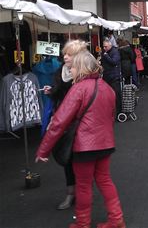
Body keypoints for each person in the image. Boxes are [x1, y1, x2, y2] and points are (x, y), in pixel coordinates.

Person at [36, 51, 126, 228]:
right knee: (105, 181)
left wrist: (43, 149)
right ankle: (117, 219)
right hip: (106, 144)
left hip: (84, 147)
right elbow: (111, 117)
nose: (71, 70)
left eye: (74, 67)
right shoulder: (107, 88)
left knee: (83, 186)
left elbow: (59, 122)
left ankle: (83, 223)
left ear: (82, 68)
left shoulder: (78, 89)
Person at [43, 40, 87, 210]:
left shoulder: (84, 73)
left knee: (80, 157)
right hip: (63, 118)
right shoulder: (60, 71)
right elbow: (58, 91)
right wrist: (51, 91)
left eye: (69, 54)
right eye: (65, 54)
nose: (65, 57)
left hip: (80, 120)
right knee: (66, 156)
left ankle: (82, 193)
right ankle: (70, 193)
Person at [100, 39, 122, 115]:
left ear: (110, 45)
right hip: (107, 76)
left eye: (106, 46)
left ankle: (119, 111)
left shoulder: (115, 52)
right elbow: (104, 62)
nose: (104, 48)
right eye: (103, 47)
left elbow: (114, 62)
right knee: (107, 95)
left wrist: (105, 55)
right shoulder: (105, 52)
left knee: (116, 95)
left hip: (114, 77)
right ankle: (110, 111)